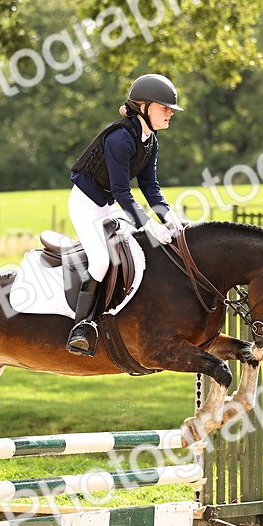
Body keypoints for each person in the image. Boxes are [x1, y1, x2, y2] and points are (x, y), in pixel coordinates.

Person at [65, 73, 186, 356]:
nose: (170, 113)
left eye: (171, 109)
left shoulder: (150, 141)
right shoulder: (120, 138)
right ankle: (80, 328)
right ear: (142, 107)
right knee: (101, 261)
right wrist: (148, 225)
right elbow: (122, 192)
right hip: (85, 205)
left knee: (142, 251)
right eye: (164, 107)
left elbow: (149, 186)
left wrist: (169, 217)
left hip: (107, 205)